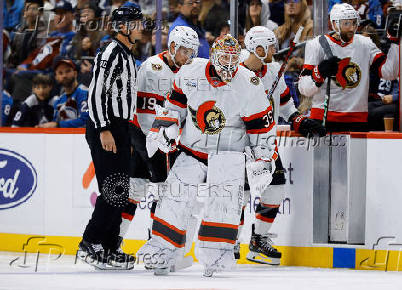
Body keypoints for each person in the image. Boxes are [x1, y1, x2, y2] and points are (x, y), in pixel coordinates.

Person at [139, 34, 277, 277]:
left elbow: (261, 127)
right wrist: (166, 126)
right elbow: (174, 105)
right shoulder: (191, 71)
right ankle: (162, 249)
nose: (229, 63)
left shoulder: (249, 83)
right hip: (191, 150)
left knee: (223, 206)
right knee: (174, 199)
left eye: (234, 58)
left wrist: (263, 158)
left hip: (229, 154)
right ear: (213, 55)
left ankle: (217, 254)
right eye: (224, 57)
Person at [238, 26, 326, 265]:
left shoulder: (274, 70)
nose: (275, 50)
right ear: (258, 48)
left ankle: (258, 241)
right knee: (241, 194)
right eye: (270, 46)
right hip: (240, 144)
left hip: (266, 144)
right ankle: (230, 240)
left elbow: (286, 105)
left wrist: (300, 120)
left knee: (275, 189)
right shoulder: (235, 74)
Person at [119, 25, 200, 249]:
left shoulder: (191, 72)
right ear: (172, 46)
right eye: (185, 51)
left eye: (193, 52)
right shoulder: (151, 67)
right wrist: (154, 139)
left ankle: (141, 241)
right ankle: (149, 242)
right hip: (146, 136)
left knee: (144, 190)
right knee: (156, 190)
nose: (189, 57)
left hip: (166, 140)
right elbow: (140, 107)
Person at [77, 2, 144, 270]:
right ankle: (90, 242)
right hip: (106, 126)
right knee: (112, 187)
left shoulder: (127, 53)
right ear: (124, 26)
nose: (141, 27)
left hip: (121, 127)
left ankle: (108, 245)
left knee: (120, 189)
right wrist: (104, 128)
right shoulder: (111, 53)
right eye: (136, 23)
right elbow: (96, 93)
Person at [298, 3, 402, 132]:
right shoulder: (317, 45)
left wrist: (395, 41)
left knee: (358, 153)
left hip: (357, 119)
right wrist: (319, 72)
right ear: (334, 24)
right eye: (346, 23)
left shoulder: (365, 43)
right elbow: (304, 88)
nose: (352, 28)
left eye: (354, 23)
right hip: (324, 118)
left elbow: (389, 73)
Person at [36, 57, 89, 128]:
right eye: (60, 73)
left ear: (75, 73)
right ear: (56, 77)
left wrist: (57, 125)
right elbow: (54, 124)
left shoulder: (85, 93)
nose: (64, 75)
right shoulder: (58, 101)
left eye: (68, 71)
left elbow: (86, 121)